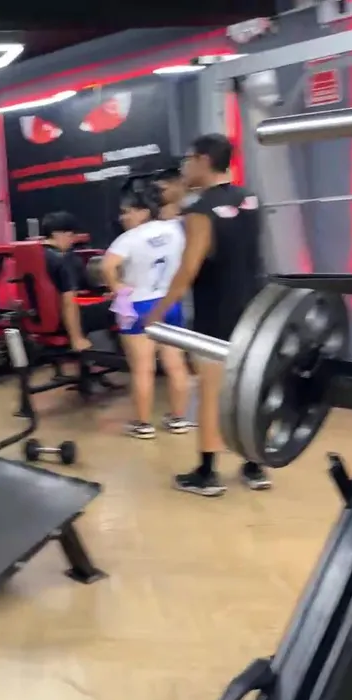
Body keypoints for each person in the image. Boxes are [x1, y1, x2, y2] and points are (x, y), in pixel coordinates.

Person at [146, 133, 270, 497]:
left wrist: (157, 313)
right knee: (248, 392)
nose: (184, 169)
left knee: (213, 393)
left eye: (187, 161)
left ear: (202, 160)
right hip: (254, 308)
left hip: (217, 313)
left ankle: (207, 473)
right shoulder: (250, 199)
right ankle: (254, 467)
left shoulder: (200, 211)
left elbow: (188, 269)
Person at [102, 179, 193, 439]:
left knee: (143, 368)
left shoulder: (127, 239)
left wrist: (117, 287)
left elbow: (107, 267)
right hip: (169, 302)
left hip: (138, 304)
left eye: (127, 212)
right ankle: (178, 419)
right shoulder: (175, 229)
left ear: (143, 211)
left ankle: (143, 424)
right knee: (176, 365)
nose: (123, 217)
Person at [38, 211, 93, 352]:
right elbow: (69, 301)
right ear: (57, 234)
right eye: (70, 235)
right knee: (118, 307)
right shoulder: (63, 260)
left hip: (39, 317)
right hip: (61, 319)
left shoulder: (36, 255)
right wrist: (76, 338)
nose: (72, 240)